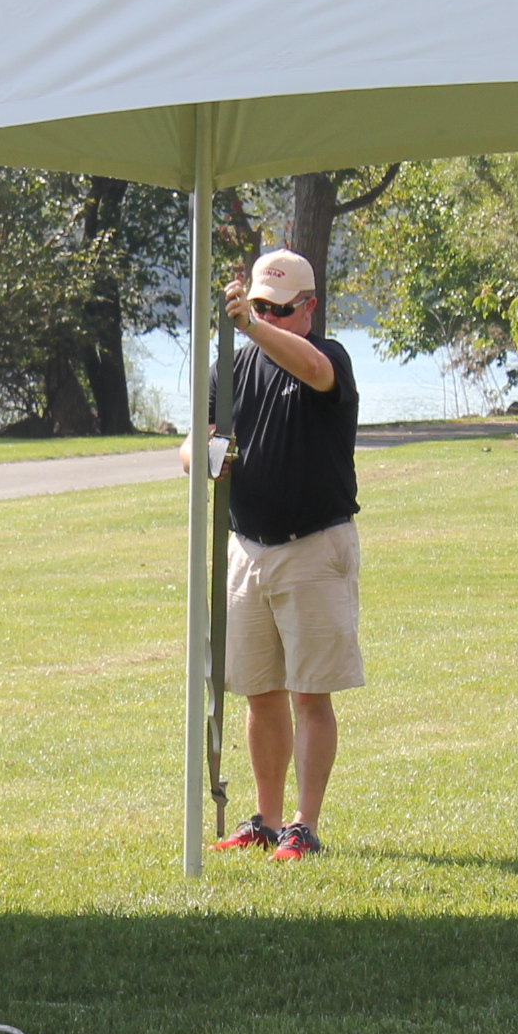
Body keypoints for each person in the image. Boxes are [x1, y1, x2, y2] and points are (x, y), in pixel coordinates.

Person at [193, 247, 361, 859]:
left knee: (310, 694)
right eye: (258, 306)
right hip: (247, 547)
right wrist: (201, 457)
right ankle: (263, 818)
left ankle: (304, 825)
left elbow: (315, 371)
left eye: (279, 310)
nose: (265, 317)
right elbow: (198, 438)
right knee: (259, 692)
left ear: (309, 308)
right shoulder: (231, 369)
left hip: (313, 546)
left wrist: (253, 329)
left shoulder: (328, 357)